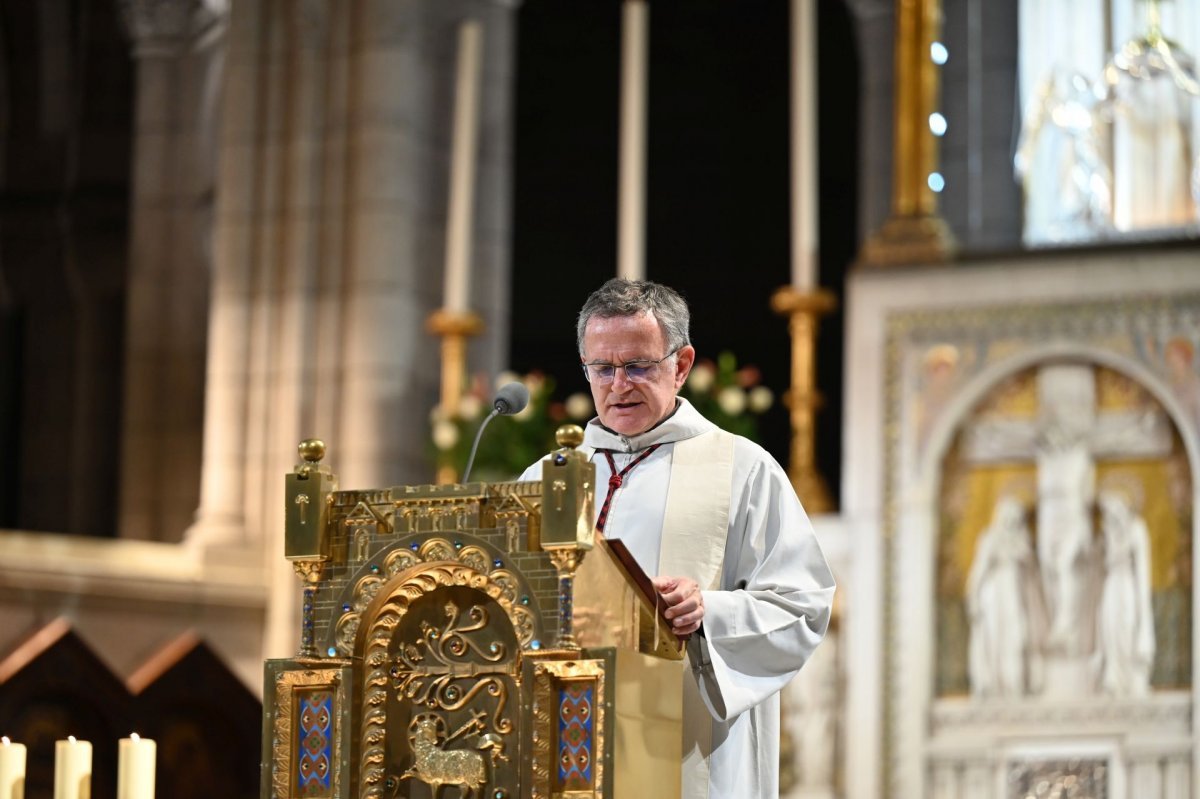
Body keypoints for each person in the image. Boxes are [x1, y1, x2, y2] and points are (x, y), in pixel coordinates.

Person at [519, 278, 835, 799]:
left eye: (638, 366)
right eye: (603, 368)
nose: (619, 384)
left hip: (691, 751)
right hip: (563, 747)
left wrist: (709, 611)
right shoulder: (545, 478)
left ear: (681, 365)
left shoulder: (742, 468)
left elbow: (804, 605)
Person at [966, 496, 1039, 697]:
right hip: (995, 593)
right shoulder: (990, 538)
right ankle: (995, 685)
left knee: (1016, 634)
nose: (1012, 521)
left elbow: (1031, 569)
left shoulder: (1021, 540)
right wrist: (973, 597)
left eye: (1017, 518)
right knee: (995, 635)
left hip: (1015, 594)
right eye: (1009, 516)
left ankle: (1014, 683)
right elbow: (979, 569)